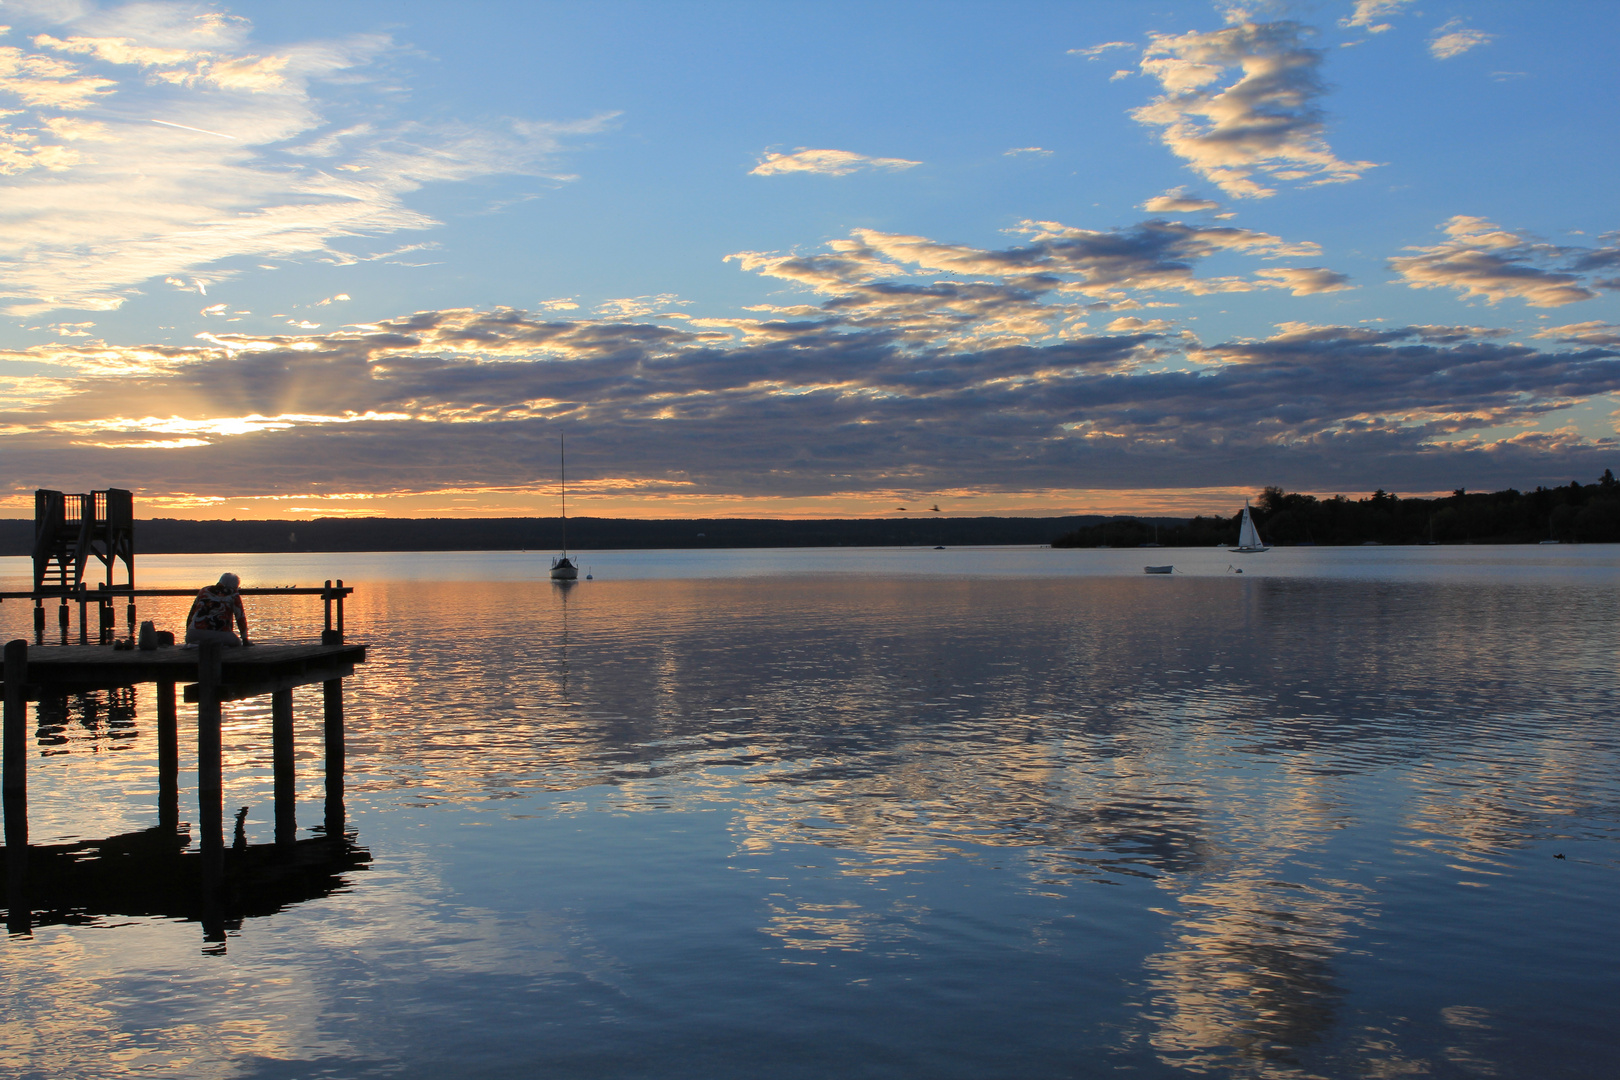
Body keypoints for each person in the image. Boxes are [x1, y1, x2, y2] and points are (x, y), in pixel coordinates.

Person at [185, 572, 253, 646]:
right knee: (237, 643)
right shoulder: (233, 594)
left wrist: (188, 632)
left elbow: (191, 614)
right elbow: (240, 618)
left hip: (193, 634)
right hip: (220, 634)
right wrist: (245, 639)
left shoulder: (204, 590)